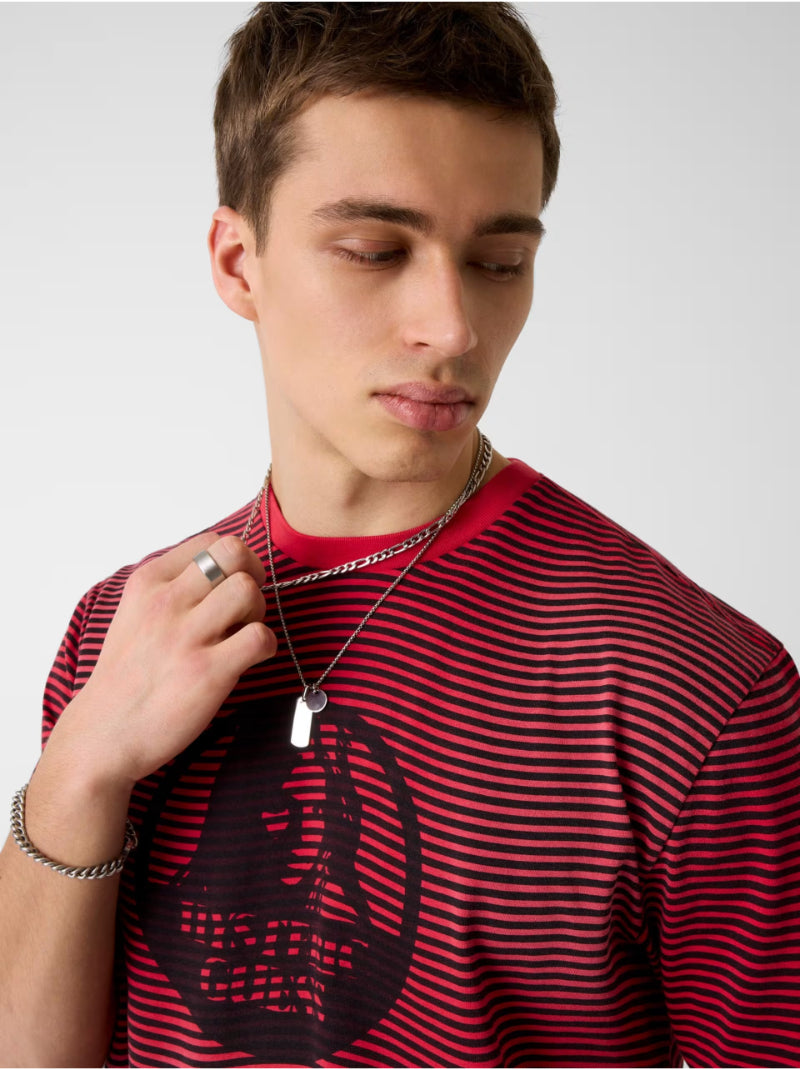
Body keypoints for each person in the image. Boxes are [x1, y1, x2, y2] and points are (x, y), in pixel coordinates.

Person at [1, 3, 798, 1067]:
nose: (453, 327)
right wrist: (82, 771)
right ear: (238, 262)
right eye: (375, 251)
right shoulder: (122, 631)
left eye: (499, 262)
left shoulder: (692, 692)